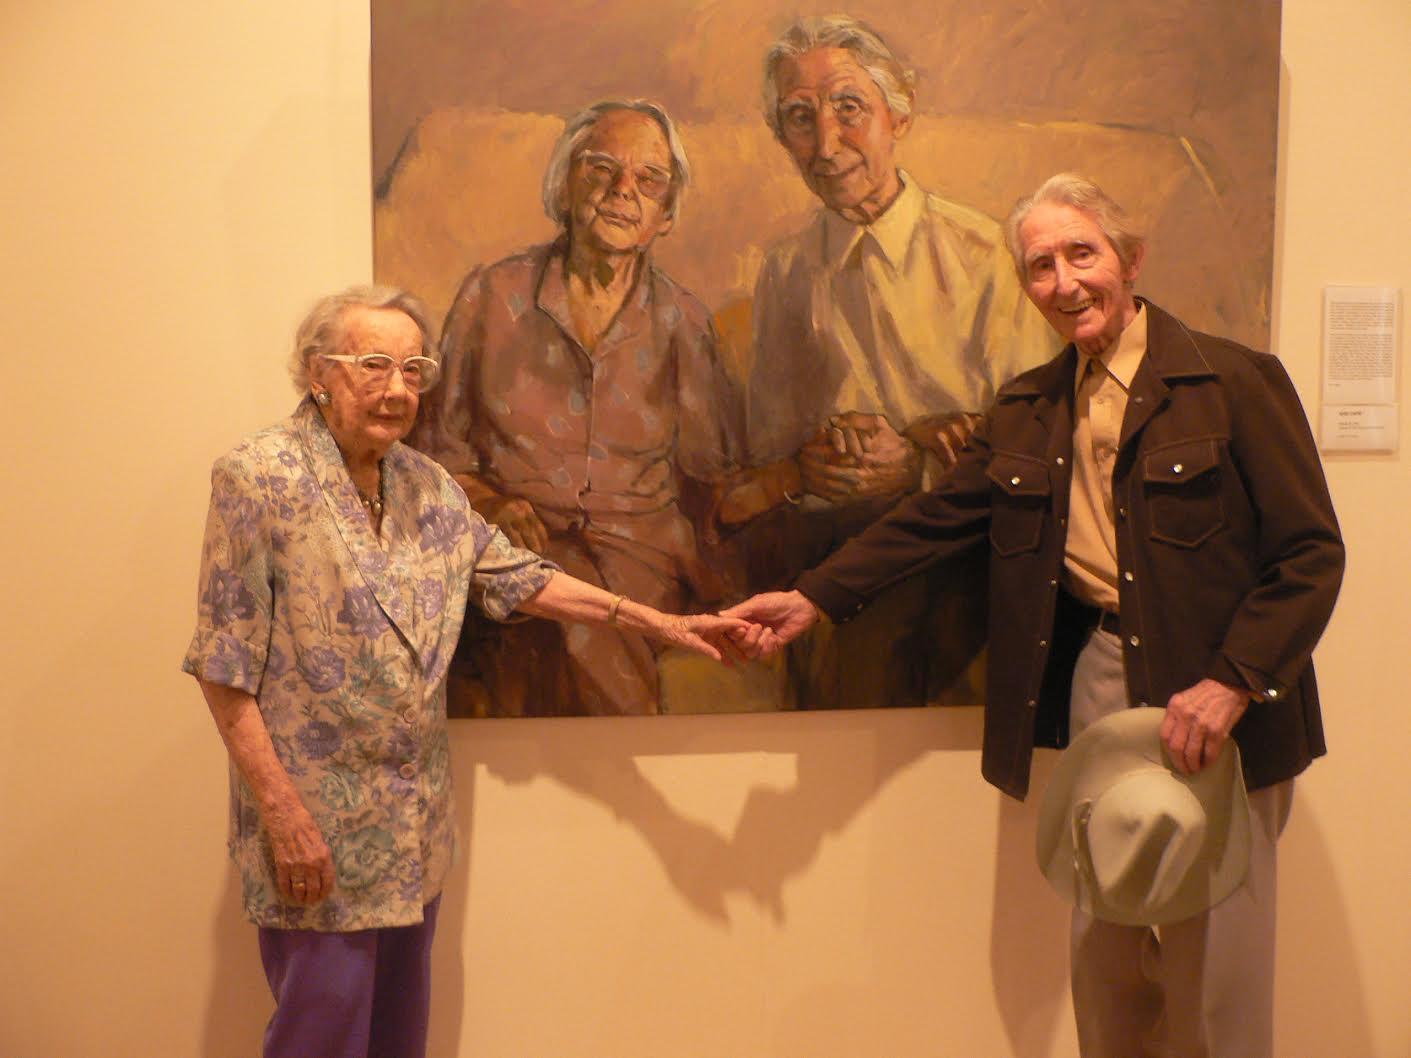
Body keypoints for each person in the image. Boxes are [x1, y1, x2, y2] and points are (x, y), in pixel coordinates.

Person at [727, 173, 1344, 1057]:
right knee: (1105, 950)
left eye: (1080, 254)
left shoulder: (1236, 381)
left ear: (1129, 259)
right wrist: (812, 596)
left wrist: (1232, 682)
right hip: (1100, 679)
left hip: (1223, 696)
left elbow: (1310, 554)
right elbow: (933, 519)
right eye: (1039, 266)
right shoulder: (1026, 409)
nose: (1063, 283)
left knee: (1216, 969)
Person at [183, 286, 753, 1058]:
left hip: (412, 829)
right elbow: (223, 666)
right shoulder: (258, 477)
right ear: (319, 373)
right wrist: (284, 817)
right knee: (318, 1036)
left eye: (413, 370)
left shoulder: (426, 485)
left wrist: (662, 623)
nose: (397, 389)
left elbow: (522, 577)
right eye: (373, 365)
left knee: (397, 1038)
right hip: (315, 831)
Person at [717, 14, 1058, 708]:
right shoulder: (786, 270)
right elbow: (769, 447)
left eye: (849, 109)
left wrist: (914, 460)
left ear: (897, 114)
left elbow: (1039, 442)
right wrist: (812, 462)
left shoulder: (982, 253)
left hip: (966, 534)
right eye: (800, 118)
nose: (826, 144)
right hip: (836, 546)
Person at [411, 100, 742, 716]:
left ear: (667, 214)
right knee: (544, 603)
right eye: (601, 169)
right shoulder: (491, 296)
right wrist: (490, 503)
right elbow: (436, 457)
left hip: (640, 554)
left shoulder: (685, 322)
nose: (623, 191)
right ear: (564, 185)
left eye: (649, 180)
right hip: (513, 542)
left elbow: (709, 480)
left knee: (568, 618)